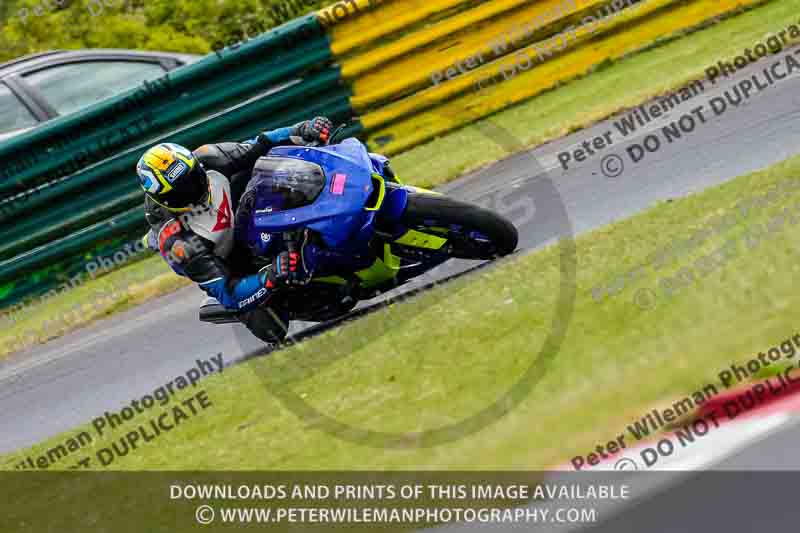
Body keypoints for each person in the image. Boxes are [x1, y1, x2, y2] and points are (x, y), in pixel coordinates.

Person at [136, 117, 333, 343]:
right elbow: (230, 293)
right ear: (165, 200)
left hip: (246, 214)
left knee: (265, 166)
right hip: (231, 263)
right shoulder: (176, 241)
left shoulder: (209, 158)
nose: (193, 188)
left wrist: (303, 128)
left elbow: (261, 142)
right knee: (273, 330)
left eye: (193, 177)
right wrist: (271, 277)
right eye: (182, 190)